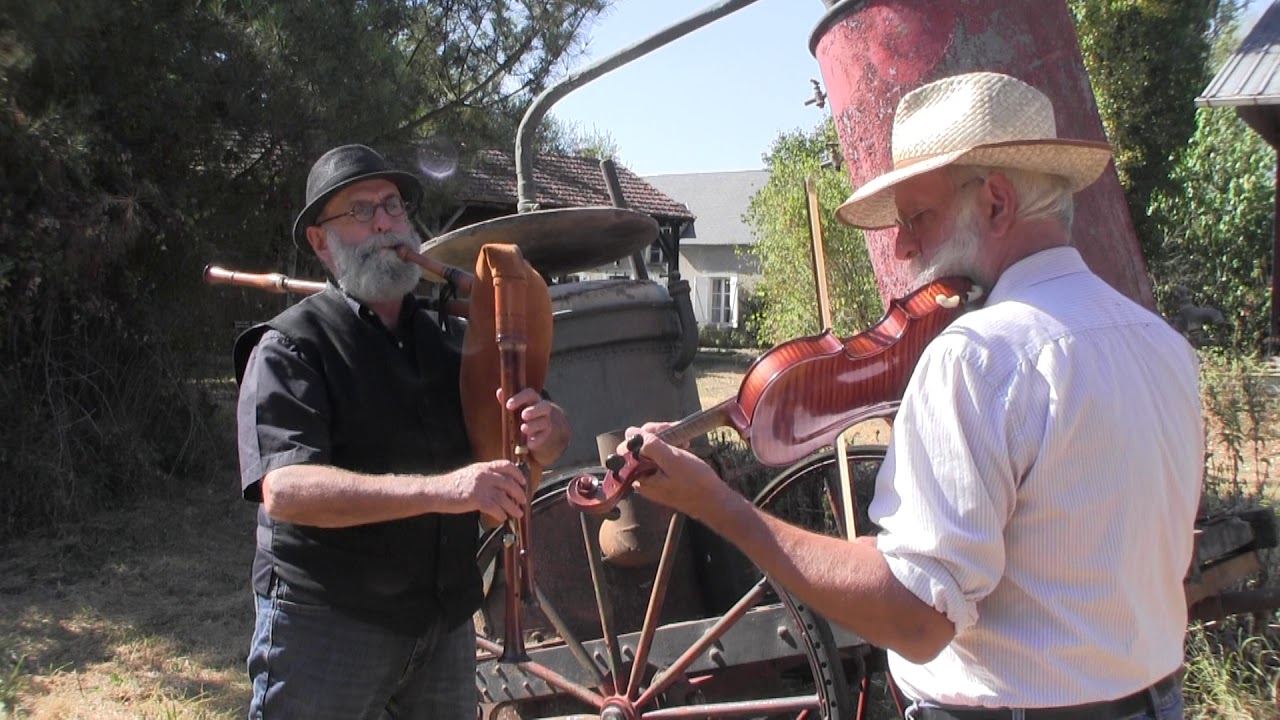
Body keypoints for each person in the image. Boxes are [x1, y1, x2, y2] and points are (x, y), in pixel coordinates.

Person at [620, 72, 1202, 719]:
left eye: (917, 216)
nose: (901, 244)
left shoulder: (978, 356)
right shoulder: (1162, 346)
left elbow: (917, 621)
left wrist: (723, 507)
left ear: (997, 203)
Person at [233, 143, 571, 718]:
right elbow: (285, 492)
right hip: (328, 626)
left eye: (391, 205)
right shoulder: (291, 346)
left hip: (440, 626)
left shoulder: (445, 345)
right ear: (321, 241)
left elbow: (507, 460)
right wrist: (447, 490)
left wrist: (551, 434)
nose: (386, 221)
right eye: (361, 211)